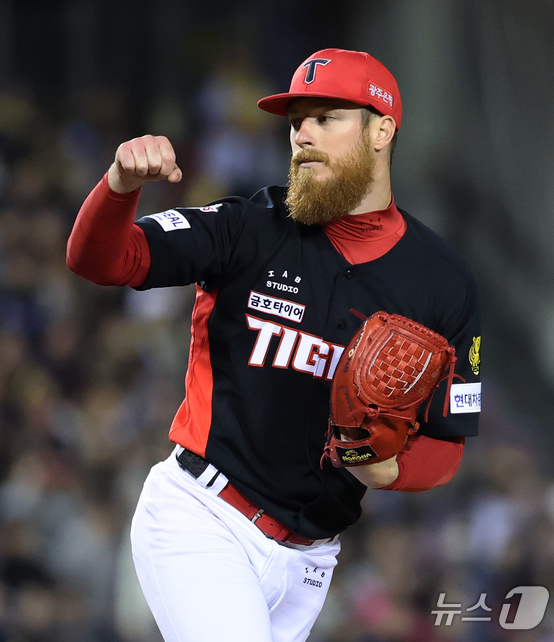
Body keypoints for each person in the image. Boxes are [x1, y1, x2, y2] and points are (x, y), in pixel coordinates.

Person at [67, 48, 481, 642]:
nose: (302, 135)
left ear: (382, 131)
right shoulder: (247, 227)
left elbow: (449, 442)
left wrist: (392, 470)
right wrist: (119, 185)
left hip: (310, 564)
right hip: (203, 519)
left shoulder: (443, 282)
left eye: (326, 118)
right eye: (295, 122)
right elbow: (101, 259)